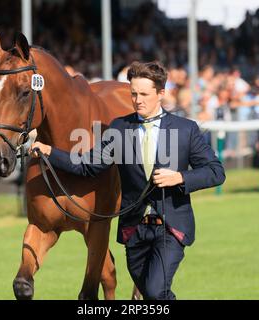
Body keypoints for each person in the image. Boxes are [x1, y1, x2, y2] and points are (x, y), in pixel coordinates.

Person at [30, 61, 226, 300]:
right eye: (134, 94)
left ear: (161, 94)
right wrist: (50, 151)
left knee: (154, 292)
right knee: (149, 295)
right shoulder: (119, 128)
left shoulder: (186, 129)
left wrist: (180, 177)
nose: (137, 100)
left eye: (144, 94)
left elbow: (216, 171)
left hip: (171, 228)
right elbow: (88, 166)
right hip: (135, 231)